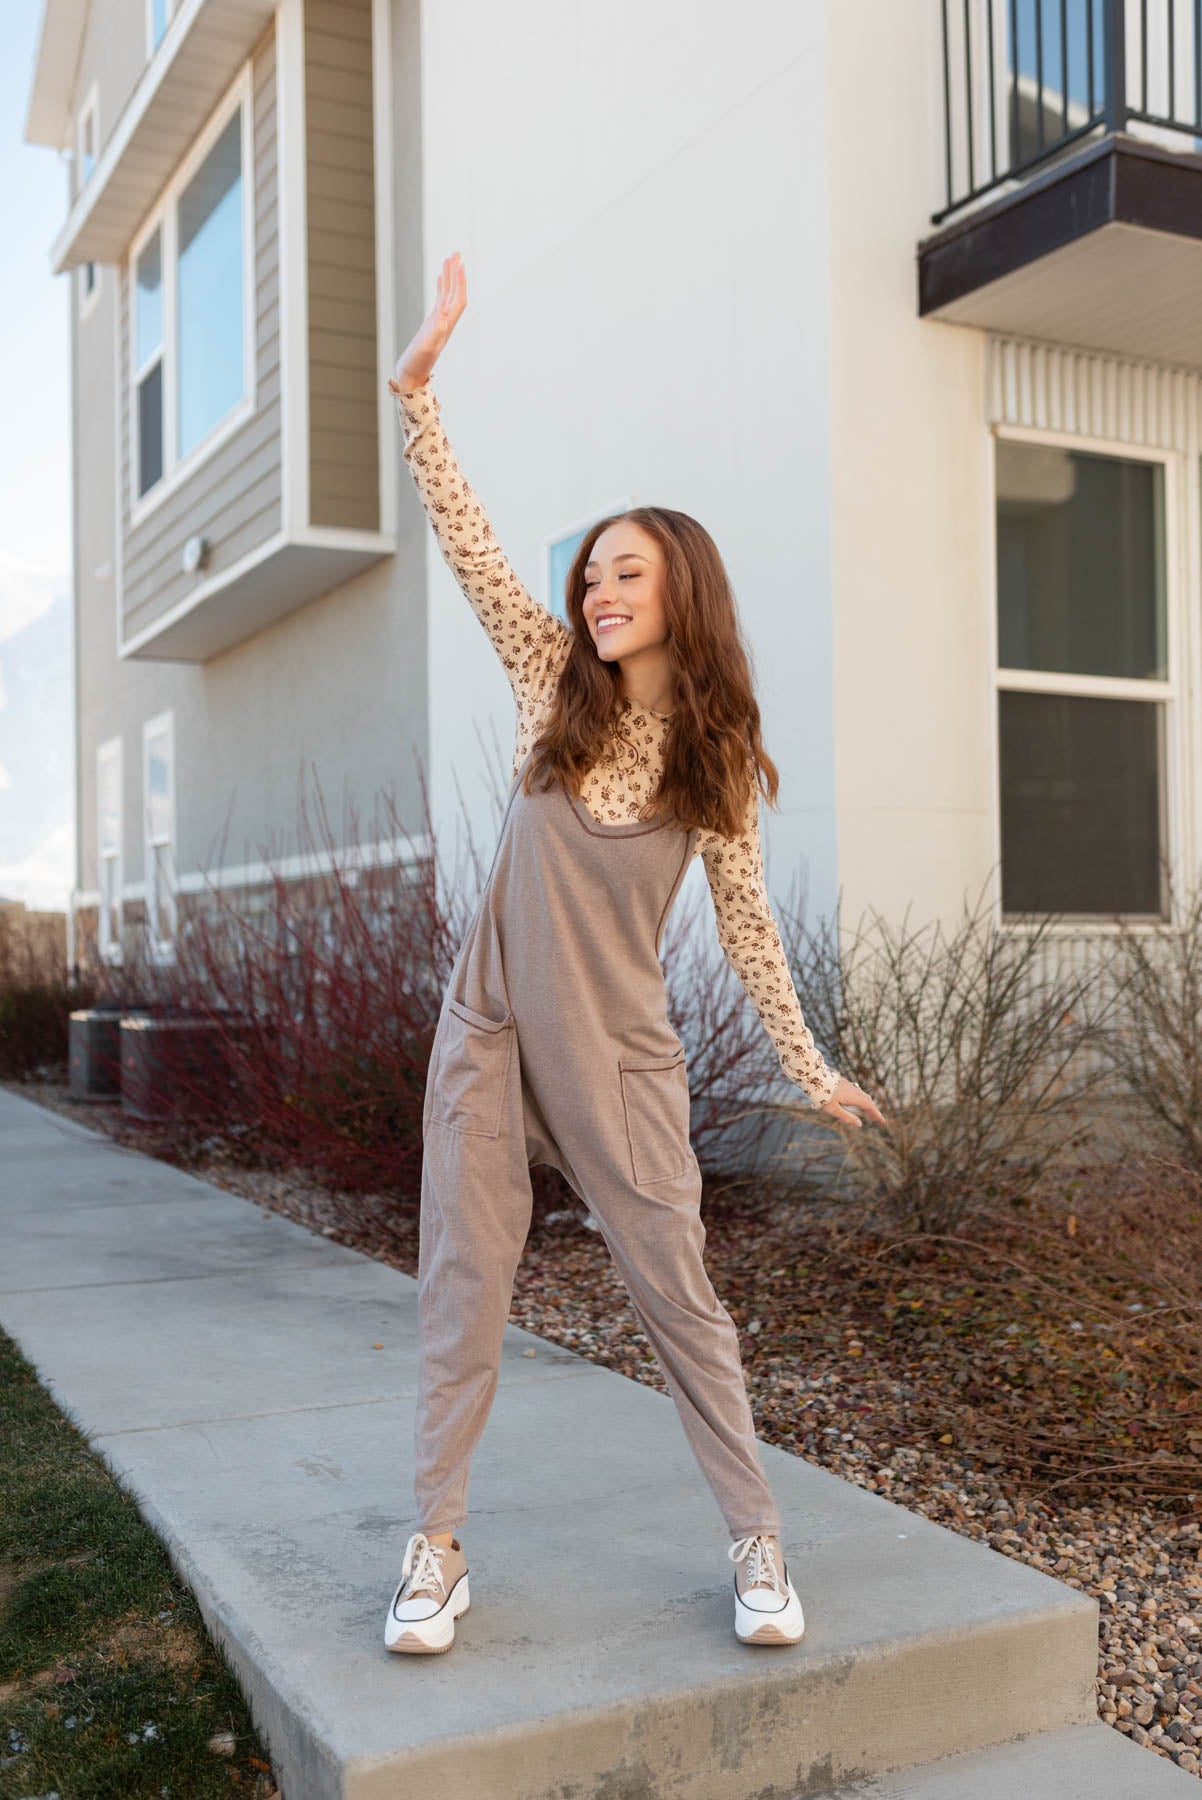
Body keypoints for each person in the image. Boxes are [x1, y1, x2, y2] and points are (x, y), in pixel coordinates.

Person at [383, 252, 886, 1657]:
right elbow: (474, 542)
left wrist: (809, 1063)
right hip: (490, 1034)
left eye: (625, 575)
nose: (597, 593)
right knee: (460, 1294)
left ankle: (757, 1546)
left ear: (680, 594)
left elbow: (744, 926)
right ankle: (434, 1548)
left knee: (682, 1304)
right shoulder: (555, 685)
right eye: (590, 574)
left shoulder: (711, 765)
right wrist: (420, 392)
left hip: (616, 1060)